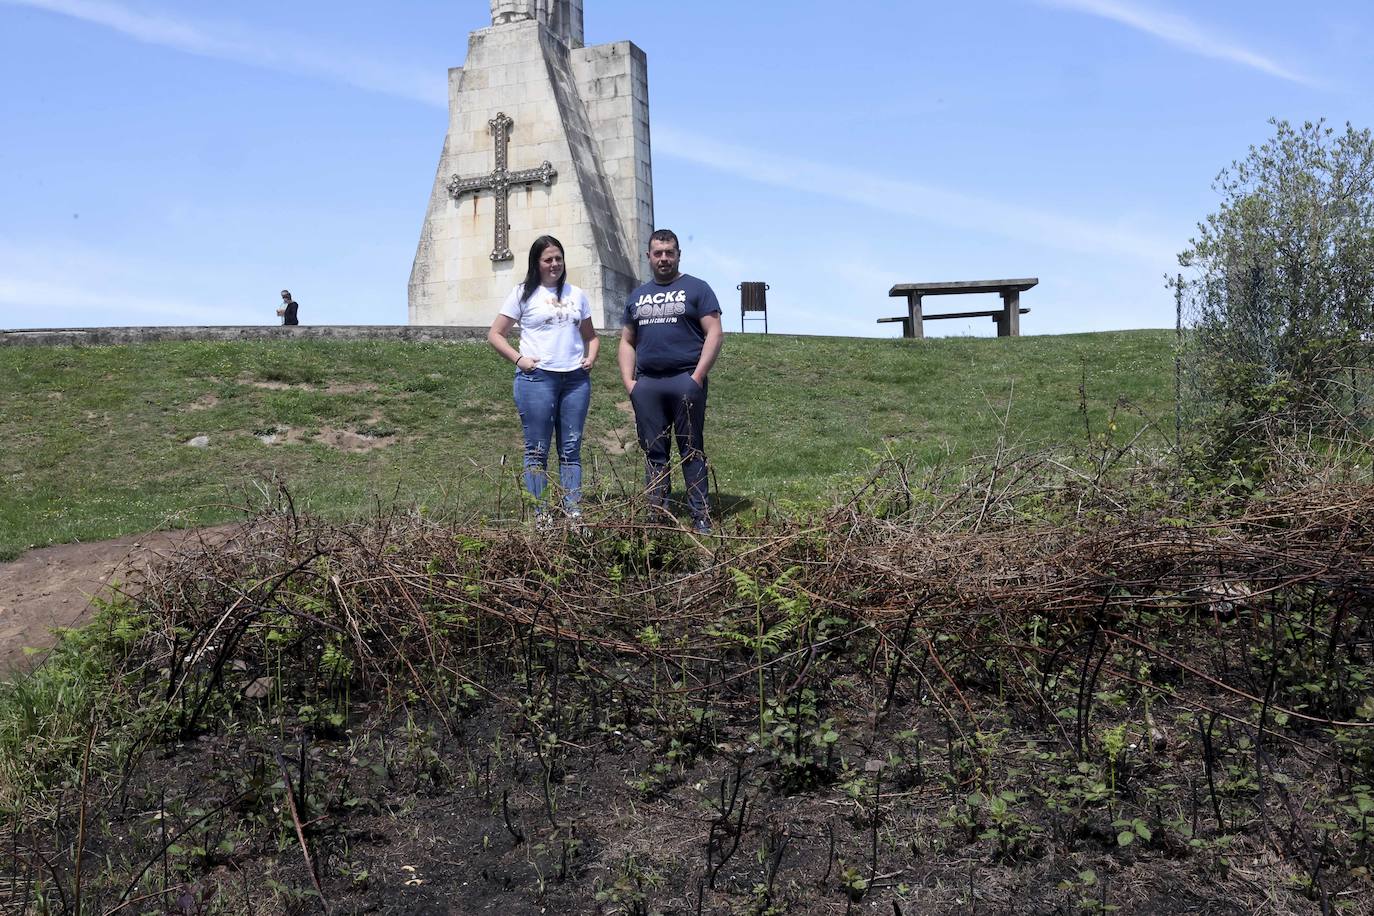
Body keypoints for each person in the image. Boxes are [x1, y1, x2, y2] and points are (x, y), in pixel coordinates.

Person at [617, 229, 723, 534]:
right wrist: (629, 382)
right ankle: (656, 515)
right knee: (654, 452)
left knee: (691, 449)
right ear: (648, 256)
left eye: (670, 252)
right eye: (658, 253)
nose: (664, 258)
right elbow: (627, 341)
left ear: (678, 255)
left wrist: (697, 377)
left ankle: (700, 515)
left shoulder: (697, 289)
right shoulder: (637, 296)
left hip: (685, 381)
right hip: (647, 384)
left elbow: (714, 333)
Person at [488, 235, 599, 518]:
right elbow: (495, 334)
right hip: (537, 379)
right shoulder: (523, 293)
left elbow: (591, 336)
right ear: (536, 263)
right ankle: (541, 515)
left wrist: (591, 356)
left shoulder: (577, 295)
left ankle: (573, 513)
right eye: (548, 259)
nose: (554, 264)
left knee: (571, 449)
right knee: (537, 450)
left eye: (558, 258)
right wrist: (519, 360)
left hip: (574, 380)